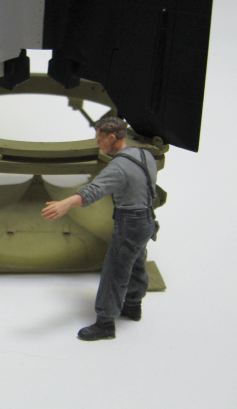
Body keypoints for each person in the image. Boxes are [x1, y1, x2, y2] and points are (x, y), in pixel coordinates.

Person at [41, 117, 158, 341]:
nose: (97, 143)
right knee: (136, 263)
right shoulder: (145, 155)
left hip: (129, 223)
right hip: (147, 221)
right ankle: (133, 305)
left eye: (100, 138)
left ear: (112, 138)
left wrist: (65, 203)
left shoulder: (118, 166)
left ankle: (105, 323)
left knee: (115, 271)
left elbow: (93, 191)